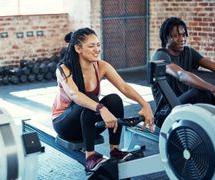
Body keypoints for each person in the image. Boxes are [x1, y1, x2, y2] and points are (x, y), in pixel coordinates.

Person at [51, 28, 154, 172]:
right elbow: (75, 96)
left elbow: (124, 87)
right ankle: (90, 157)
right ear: (78, 48)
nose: (97, 49)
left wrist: (145, 105)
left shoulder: (101, 66)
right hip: (65, 124)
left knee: (114, 100)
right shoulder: (64, 69)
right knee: (91, 100)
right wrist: (102, 109)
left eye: (98, 45)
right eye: (91, 46)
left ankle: (115, 151)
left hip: (87, 124)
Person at [151, 17, 215, 127]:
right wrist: (214, 89)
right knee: (201, 92)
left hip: (186, 107)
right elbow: (181, 75)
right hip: (166, 114)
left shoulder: (188, 52)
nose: (182, 39)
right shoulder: (160, 56)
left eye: (183, 35)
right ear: (166, 38)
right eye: (176, 36)